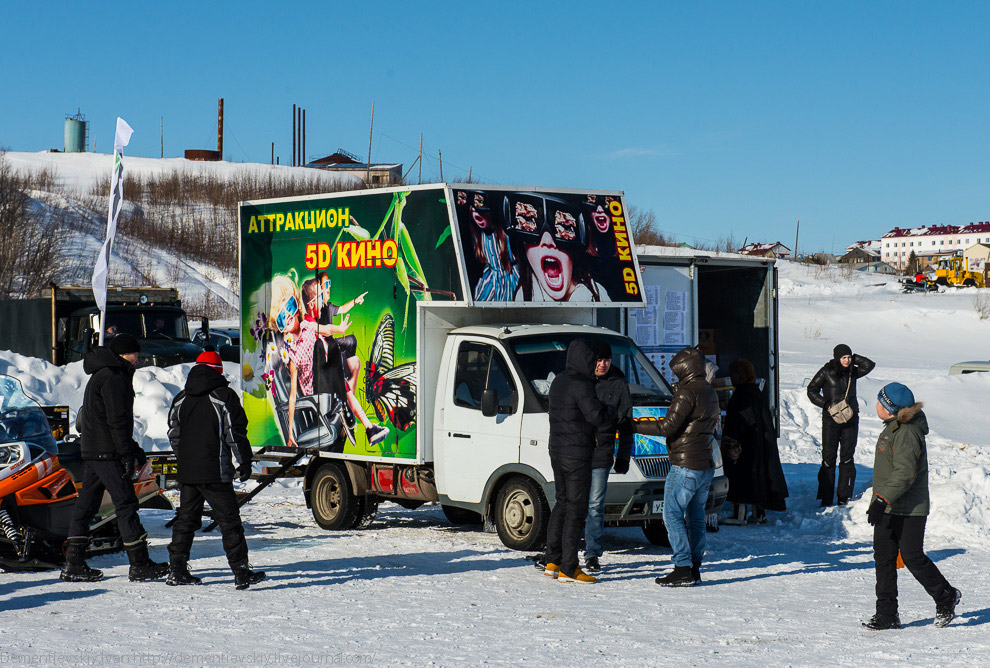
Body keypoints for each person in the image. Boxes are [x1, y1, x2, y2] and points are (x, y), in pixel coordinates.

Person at [61, 334, 168, 583]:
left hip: (94, 449)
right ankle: (140, 564)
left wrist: (132, 447)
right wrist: (126, 453)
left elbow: (105, 419)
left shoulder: (102, 374)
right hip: (106, 452)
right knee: (126, 504)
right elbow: (117, 421)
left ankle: (73, 564)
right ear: (123, 354)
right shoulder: (114, 377)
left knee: (86, 506)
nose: (138, 359)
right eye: (135, 354)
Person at [863, 383, 961, 630]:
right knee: (884, 558)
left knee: (912, 557)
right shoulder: (893, 429)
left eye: (880, 402)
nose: (876, 405)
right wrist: (881, 500)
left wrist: (881, 499)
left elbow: (905, 473)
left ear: (891, 409)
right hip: (888, 505)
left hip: (909, 508)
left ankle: (946, 596)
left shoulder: (907, 433)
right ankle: (886, 614)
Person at [165, 351, 265, 589]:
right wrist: (245, 462)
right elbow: (235, 433)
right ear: (218, 370)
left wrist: (186, 458)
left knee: (185, 521)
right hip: (215, 472)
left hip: (188, 472)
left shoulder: (181, 397)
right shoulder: (224, 396)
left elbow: (173, 433)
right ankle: (241, 572)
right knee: (229, 522)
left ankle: (176, 570)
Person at [268, 272, 388, 448]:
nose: (290, 317)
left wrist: (340, 328)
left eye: (291, 307)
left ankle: (366, 427)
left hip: (326, 377)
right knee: (329, 352)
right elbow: (293, 396)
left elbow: (325, 328)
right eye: (282, 318)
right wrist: (290, 434)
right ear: (281, 327)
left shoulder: (307, 326)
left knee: (337, 353)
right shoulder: (292, 354)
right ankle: (356, 419)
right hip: (316, 391)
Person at [636, 347, 718, 586]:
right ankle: (694, 567)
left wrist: (633, 426)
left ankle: (681, 566)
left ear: (684, 370)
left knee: (671, 514)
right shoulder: (709, 392)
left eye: (677, 372)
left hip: (685, 464)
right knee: (696, 518)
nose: (675, 377)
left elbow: (666, 428)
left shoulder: (687, 393)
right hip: (705, 464)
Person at [543, 339, 616, 584]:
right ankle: (569, 568)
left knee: (562, 503)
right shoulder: (581, 385)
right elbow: (597, 416)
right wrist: (610, 410)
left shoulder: (559, 382)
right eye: (593, 359)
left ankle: (552, 560)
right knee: (576, 509)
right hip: (577, 454)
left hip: (557, 450)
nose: (596, 364)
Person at [302, 275, 381, 444]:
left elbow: (335, 317)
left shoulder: (325, 309)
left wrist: (354, 301)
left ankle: (365, 425)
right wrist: (339, 328)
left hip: (327, 367)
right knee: (341, 350)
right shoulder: (307, 323)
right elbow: (325, 329)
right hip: (319, 378)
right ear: (311, 303)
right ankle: (356, 418)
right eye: (320, 293)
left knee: (354, 362)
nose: (326, 292)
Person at [583, 341, 633, 573]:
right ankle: (560, 549)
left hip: (602, 455)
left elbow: (626, 424)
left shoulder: (618, 385)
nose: (602, 364)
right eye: (598, 360)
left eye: (607, 360)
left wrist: (623, 456)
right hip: (576, 454)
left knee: (595, 506)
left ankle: (592, 553)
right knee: (570, 503)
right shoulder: (579, 380)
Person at [721, 358, 788, 525]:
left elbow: (742, 420)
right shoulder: (756, 391)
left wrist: (731, 436)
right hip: (761, 442)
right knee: (760, 477)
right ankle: (759, 513)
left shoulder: (741, 394)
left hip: (746, 443)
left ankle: (739, 515)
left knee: (740, 476)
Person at [806, 344, 875, 506]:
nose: (847, 360)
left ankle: (844, 496)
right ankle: (826, 496)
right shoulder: (827, 371)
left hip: (850, 420)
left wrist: (854, 357)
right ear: (837, 358)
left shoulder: (853, 372)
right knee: (828, 458)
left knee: (847, 458)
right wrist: (826, 404)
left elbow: (869, 365)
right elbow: (811, 389)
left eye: (849, 357)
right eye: (844, 357)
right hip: (831, 420)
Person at [462, 191, 519, 301]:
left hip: (511, 279)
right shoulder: (478, 236)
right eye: (473, 211)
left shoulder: (506, 235)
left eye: (482, 211)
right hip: (490, 281)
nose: (477, 215)